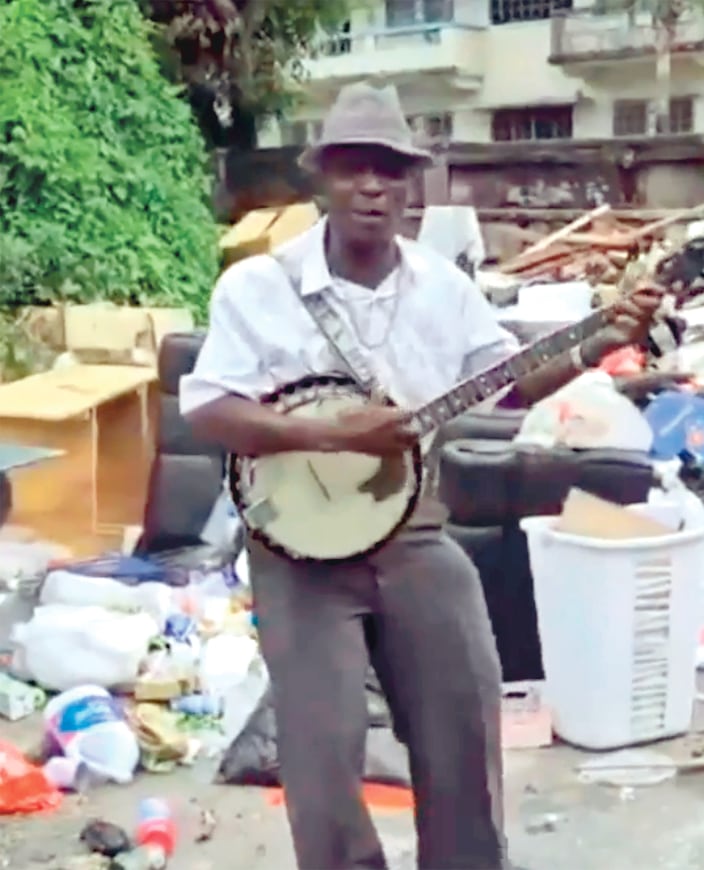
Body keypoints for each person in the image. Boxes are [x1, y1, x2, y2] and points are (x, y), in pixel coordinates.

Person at [180, 82, 665, 870]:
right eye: (353, 169)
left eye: (390, 171)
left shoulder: (443, 288)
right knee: (322, 755)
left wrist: (593, 344)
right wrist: (326, 435)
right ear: (323, 180)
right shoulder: (257, 289)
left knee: (466, 720)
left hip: (413, 532)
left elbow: (503, 382)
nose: (373, 187)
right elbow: (207, 407)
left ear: (412, 186)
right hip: (299, 555)